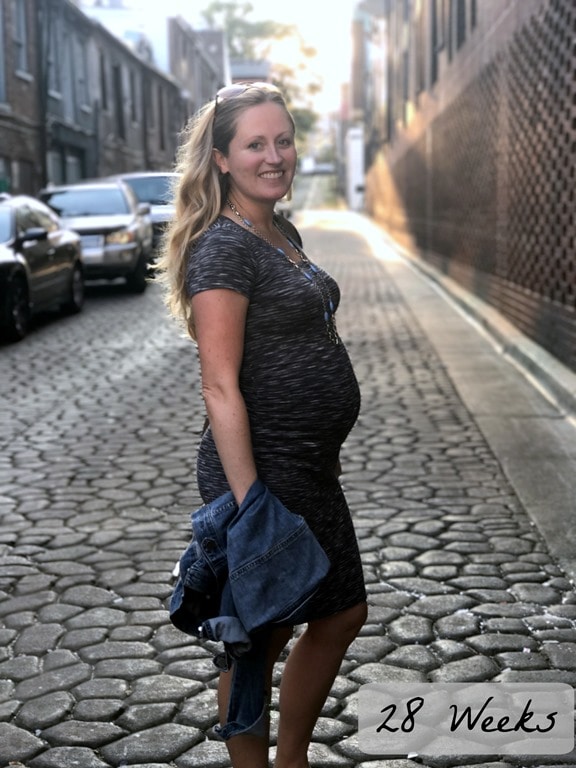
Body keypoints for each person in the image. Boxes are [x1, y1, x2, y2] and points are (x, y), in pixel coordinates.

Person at [156, 82, 367, 768]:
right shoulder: (224, 248)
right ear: (222, 158)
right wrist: (250, 507)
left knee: (341, 612)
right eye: (255, 144)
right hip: (263, 472)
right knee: (261, 637)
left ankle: (291, 758)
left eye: (283, 141)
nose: (274, 156)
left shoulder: (279, 231)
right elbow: (218, 384)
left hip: (307, 467)